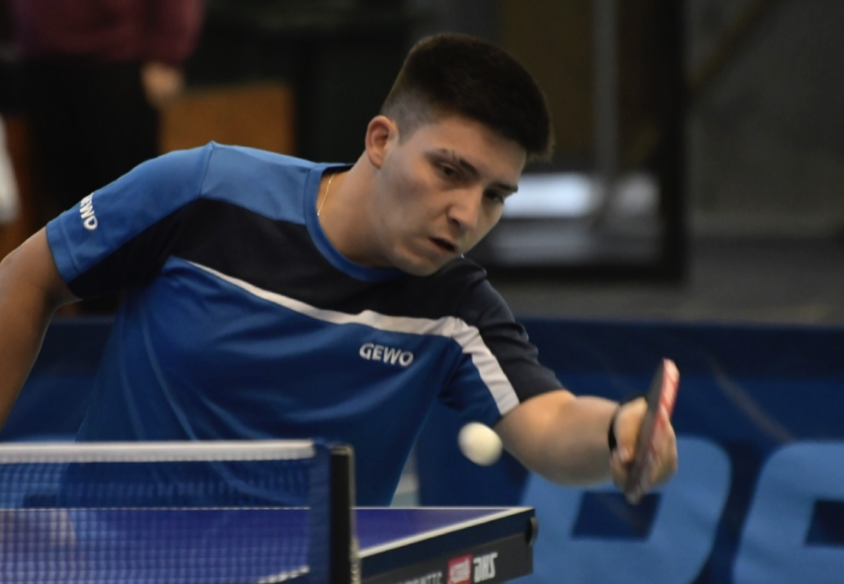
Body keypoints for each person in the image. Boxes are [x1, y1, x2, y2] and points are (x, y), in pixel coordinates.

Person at [0, 33, 678, 506]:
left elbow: (551, 422)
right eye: (449, 171)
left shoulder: (453, 307)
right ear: (382, 140)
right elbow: (28, 278)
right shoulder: (205, 192)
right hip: (112, 556)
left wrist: (618, 432)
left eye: (495, 195)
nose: (467, 214)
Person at [5, 0, 204, 223]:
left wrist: (168, 51)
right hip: (40, 63)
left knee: (129, 205)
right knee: (61, 210)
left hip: (117, 62)